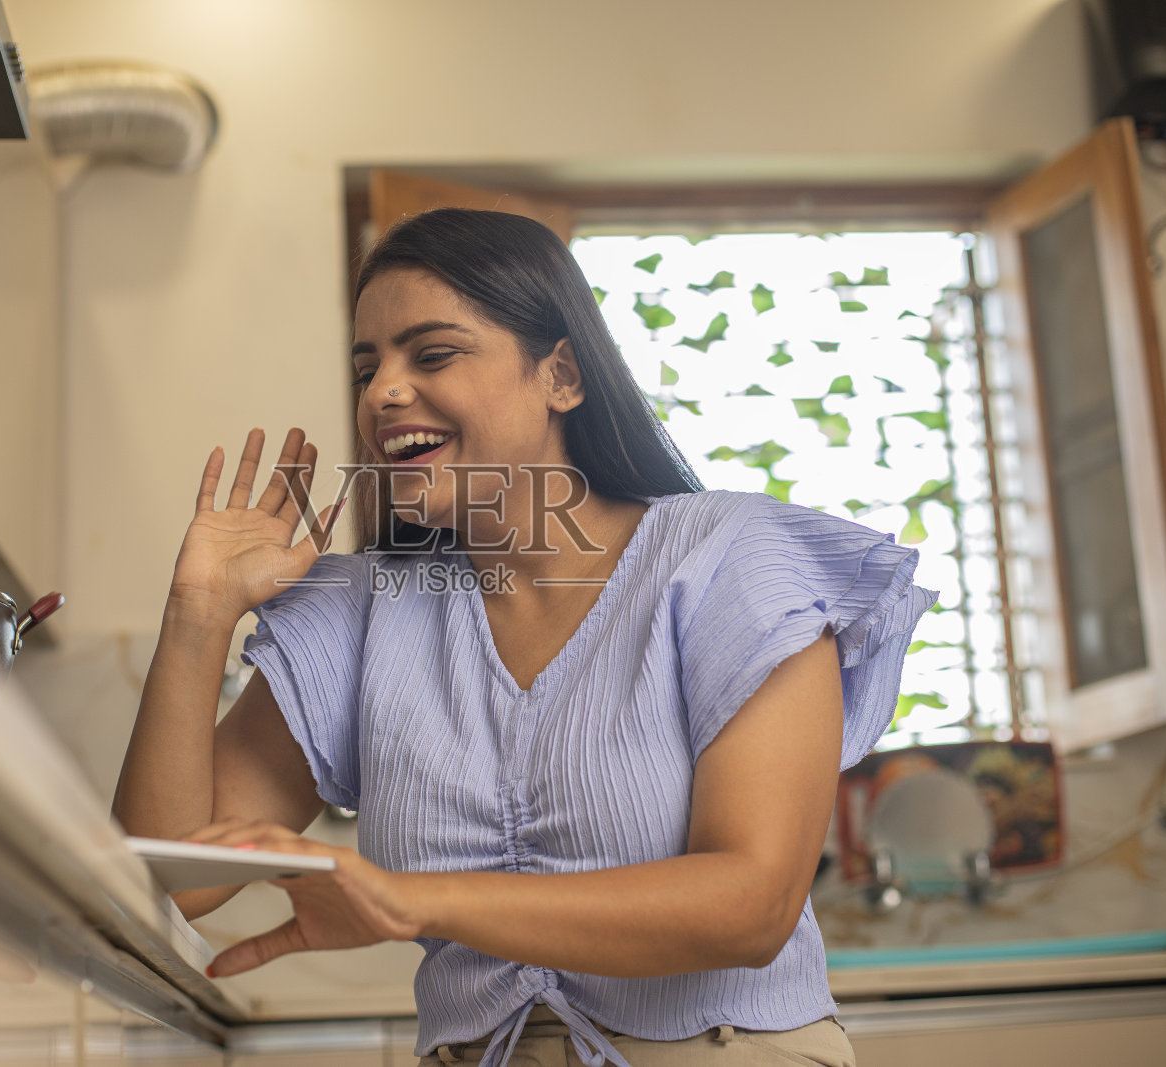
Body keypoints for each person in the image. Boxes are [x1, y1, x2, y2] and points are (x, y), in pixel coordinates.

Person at [116, 208, 937, 1067]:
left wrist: (410, 899)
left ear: (563, 375)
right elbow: (170, 877)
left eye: (431, 354)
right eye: (368, 368)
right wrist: (198, 615)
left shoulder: (731, 561)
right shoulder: (363, 611)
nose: (383, 392)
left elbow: (752, 904)